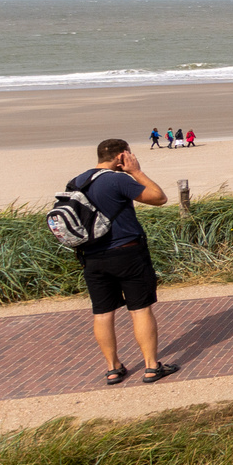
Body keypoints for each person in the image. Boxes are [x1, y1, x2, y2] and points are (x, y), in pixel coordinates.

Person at [71, 139, 176, 385]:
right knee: (140, 309)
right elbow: (159, 198)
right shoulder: (117, 179)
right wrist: (136, 171)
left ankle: (113, 367)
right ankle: (151, 367)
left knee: (103, 313)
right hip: (127, 253)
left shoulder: (77, 182)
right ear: (121, 156)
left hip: (92, 257)